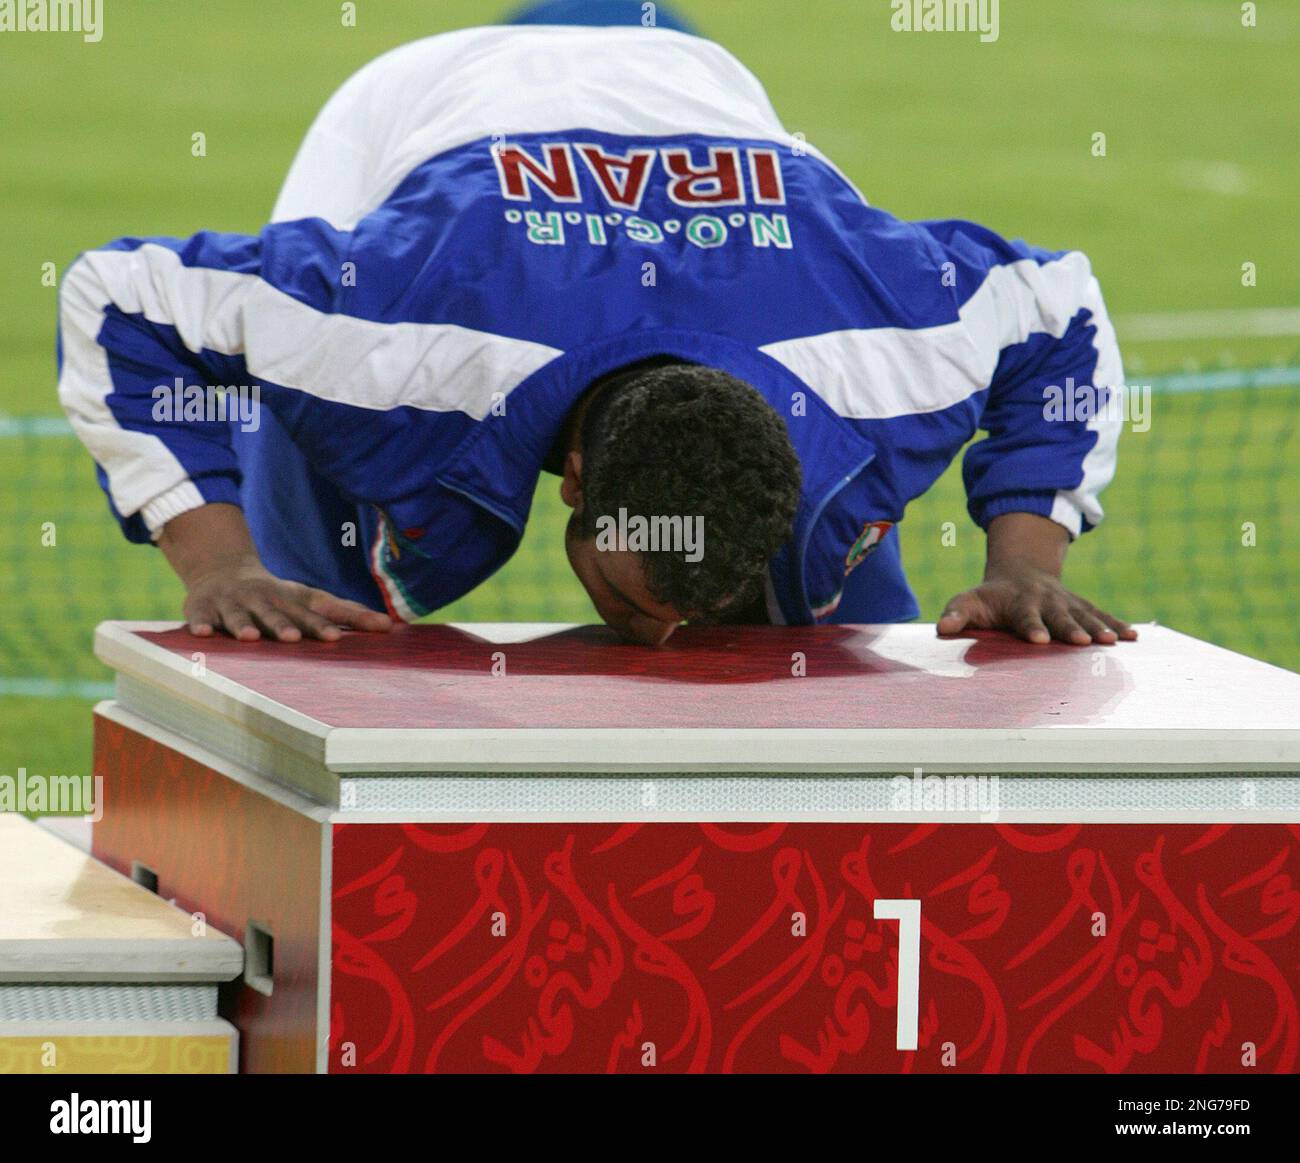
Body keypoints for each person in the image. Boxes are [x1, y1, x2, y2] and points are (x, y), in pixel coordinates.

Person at [57, 1, 1135, 648]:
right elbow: (122, 295)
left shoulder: (875, 341)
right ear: (574, 477)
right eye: (632, 597)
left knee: (847, 614)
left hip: (695, 90)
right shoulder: (388, 320)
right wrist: (216, 564)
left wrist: (1024, 563)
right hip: (427, 117)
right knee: (307, 530)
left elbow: (1059, 307)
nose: (666, 640)